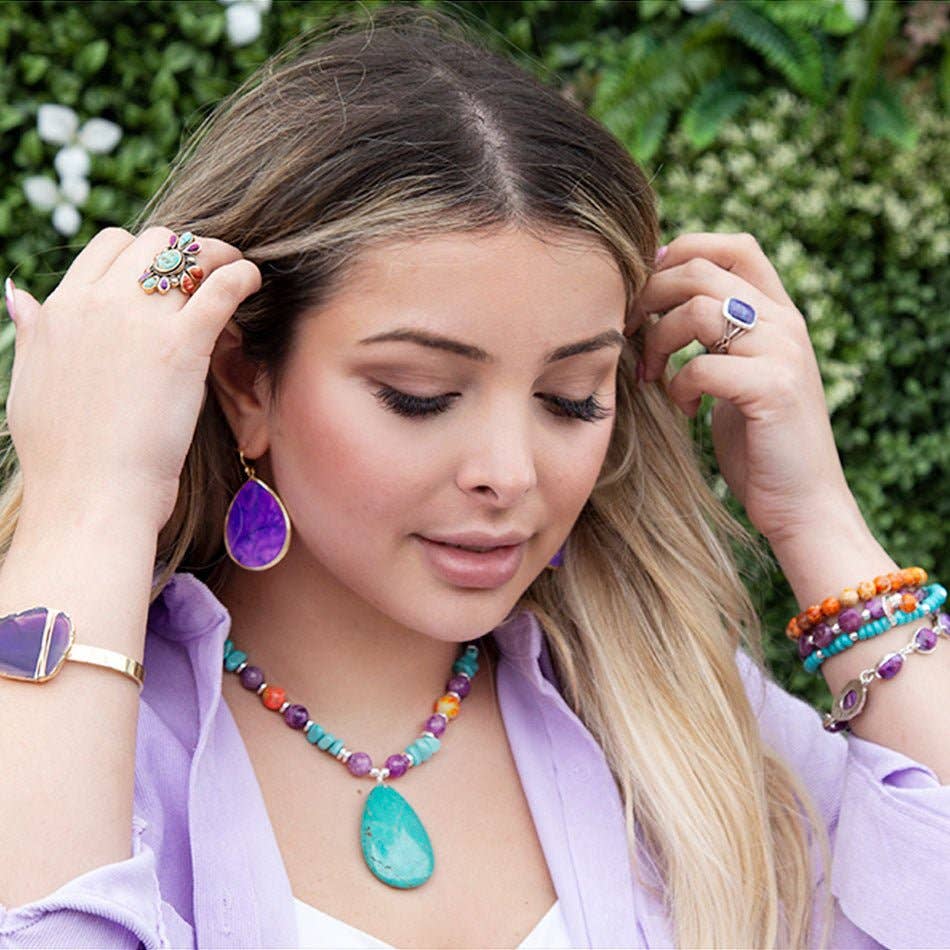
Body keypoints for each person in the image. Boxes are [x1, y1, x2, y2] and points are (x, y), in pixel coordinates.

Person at [0, 4, 947, 948]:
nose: (510, 474)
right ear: (246, 377)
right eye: (420, 395)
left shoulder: (674, 715)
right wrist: (88, 507)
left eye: (571, 397)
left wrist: (818, 520)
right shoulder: (78, 732)